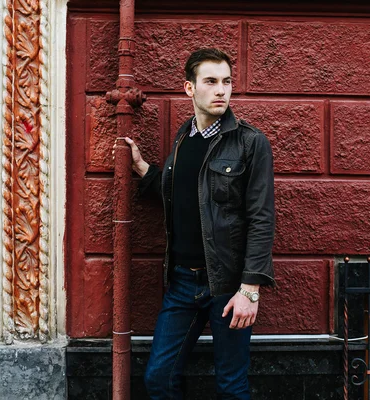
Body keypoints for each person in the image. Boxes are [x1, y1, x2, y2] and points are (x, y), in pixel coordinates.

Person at [115, 47, 275, 399]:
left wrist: (250, 289)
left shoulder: (250, 143)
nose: (221, 90)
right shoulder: (184, 138)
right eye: (211, 82)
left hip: (228, 284)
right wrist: (143, 169)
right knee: (159, 377)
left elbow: (261, 219)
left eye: (227, 82)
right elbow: (185, 196)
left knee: (231, 386)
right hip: (182, 284)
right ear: (190, 89)